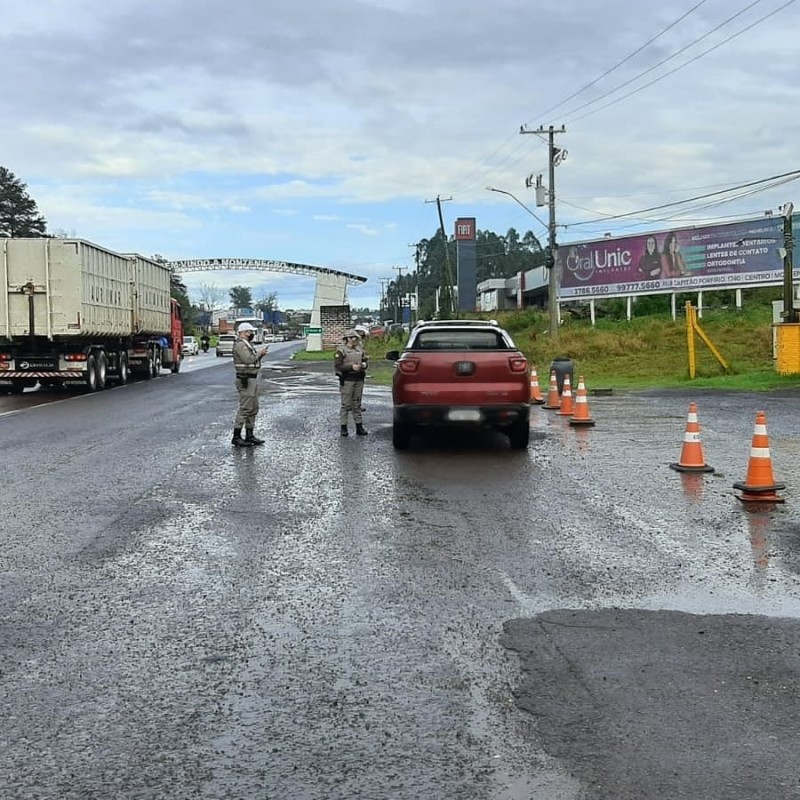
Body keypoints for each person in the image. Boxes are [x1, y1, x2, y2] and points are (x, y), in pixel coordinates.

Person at [231, 322, 269, 447]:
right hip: (245, 379)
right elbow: (248, 359)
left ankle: (249, 435)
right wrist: (260, 353)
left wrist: (259, 355)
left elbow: (253, 360)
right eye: (249, 332)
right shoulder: (241, 345)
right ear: (242, 332)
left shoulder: (248, 344)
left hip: (252, 378)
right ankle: (236, 436)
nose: (251, 334)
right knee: (245, 408)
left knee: (253, 408)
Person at [334, 330, 368, 437]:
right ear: (348, 339)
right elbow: (338, 366)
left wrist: (364, 365)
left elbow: (365, 361)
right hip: (347, 379)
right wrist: (351, 367)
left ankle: (359, 427)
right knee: (346, 405)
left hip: (359, 379)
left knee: (357, 404)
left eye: (357, 338)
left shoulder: (360, 350)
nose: (356, 340)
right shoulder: (341, 351)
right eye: (354, 338)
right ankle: (343, 427)